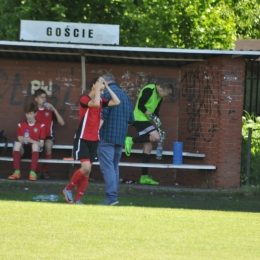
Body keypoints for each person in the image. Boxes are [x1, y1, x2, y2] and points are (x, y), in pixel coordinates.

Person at [62, 77, 120, 204]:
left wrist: (107, 86)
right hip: (82, 138)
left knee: (87, 172)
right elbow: (95, 104)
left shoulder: (100, 100)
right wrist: (98, 88)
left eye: (104, 89)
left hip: (94, 139)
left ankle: (78, 199)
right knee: (85, 168)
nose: (103, 91)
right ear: (93, 86)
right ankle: (68, 189)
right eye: (101, 88)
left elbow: (116, 101)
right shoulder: (85, 99)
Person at [124, 81, 173, 185]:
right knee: (156, 137)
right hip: (138, 118)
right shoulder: (149, 89)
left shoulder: (160, 96)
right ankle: (131, 140)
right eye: (166, 94)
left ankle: (144, 177)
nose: (165, 97)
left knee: (148, 147)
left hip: (145, 119)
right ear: (160, 88)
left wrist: (158, 124)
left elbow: (156, 112)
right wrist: (152, 116)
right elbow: (141, 105)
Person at [97, 74, 134, 205]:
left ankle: (111, 197)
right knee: (114, 167)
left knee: (107, 168)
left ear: (104, 82)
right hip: (120, 137)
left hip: (106, 136)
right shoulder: (125, 96)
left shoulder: (106, 94)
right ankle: (113, 196)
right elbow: (131, 119)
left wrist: (95, 131)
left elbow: (103, 115)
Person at [8, 103, 46, 181]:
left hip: (34, 150)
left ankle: (32, 173)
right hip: (24, 150)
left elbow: (42, 144)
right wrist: (21, 139)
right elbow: (18, 137)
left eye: (31, 114)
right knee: (17, 144)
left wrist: (30, 140)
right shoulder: (20, 125)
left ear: (35, 114)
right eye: (27, 114)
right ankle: (17, 172)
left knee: (35, 145)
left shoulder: (41, 126)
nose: (29, 116)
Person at [34, 89, 65, 179]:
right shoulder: (33, 110)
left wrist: (54, 109)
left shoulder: (50, 111)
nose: (44, 99)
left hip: (48, 136)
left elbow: (62, 123)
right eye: (41, 97)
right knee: (34, 147)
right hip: (36, 136)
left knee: (47, 145)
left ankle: (45, 170)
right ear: (36, 99)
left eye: (45, 97)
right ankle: (38, 170)